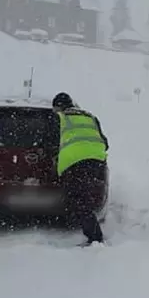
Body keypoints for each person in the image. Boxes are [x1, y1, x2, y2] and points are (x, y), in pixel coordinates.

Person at [51, 92, 109, 246]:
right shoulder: (90, 116)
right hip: (97, 160)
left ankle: (95, 238)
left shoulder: (60, 117)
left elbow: (50, 141)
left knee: (77, 200)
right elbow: (105, 141)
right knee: (85, 198)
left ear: (58, 107)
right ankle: (93, 232)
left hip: (75, 161)